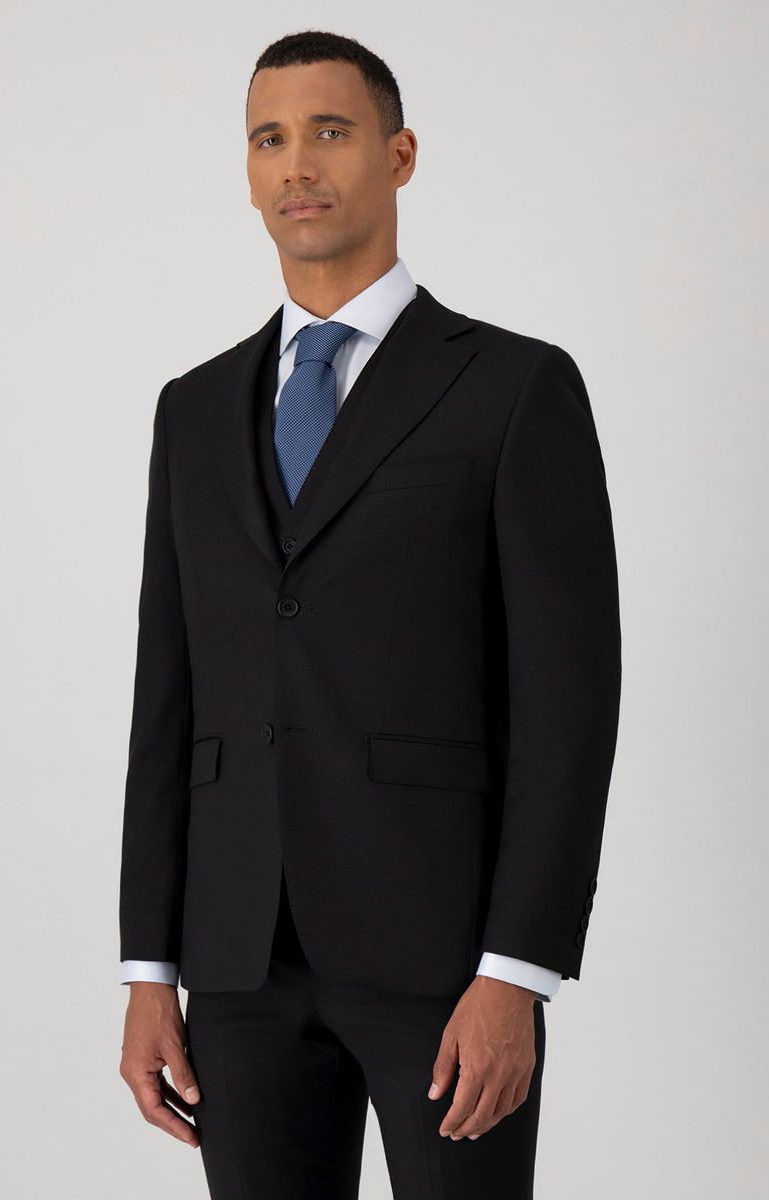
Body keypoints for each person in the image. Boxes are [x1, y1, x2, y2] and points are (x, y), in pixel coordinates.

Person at [117, 29, 621, 1200]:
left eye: (329, 132)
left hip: (443, 958)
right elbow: (168, 698)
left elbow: (566, 706)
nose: (297, 164)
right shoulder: (193, 411)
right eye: (269, 139)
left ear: (398, 156)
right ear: (248, 172)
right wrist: (149, 968)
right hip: (238, 962)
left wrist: (517, 969)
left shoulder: (511, 388)